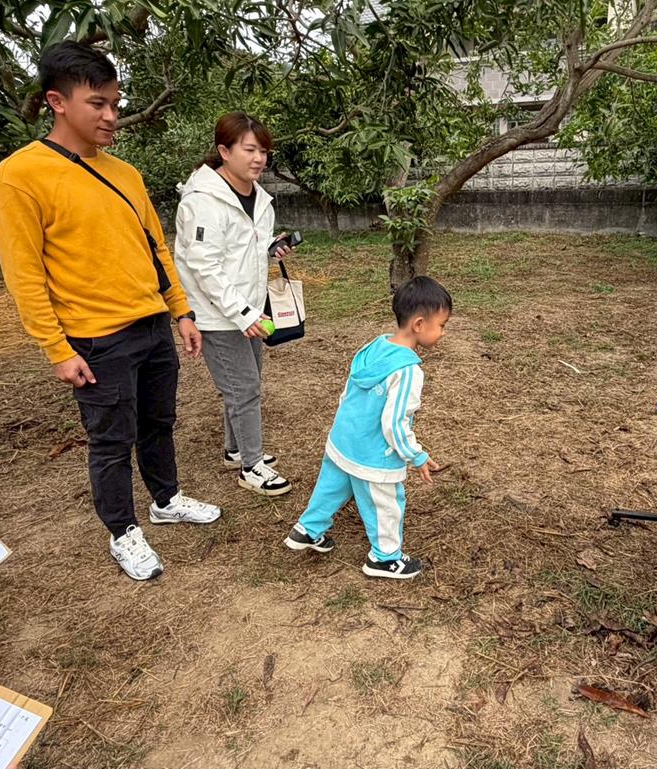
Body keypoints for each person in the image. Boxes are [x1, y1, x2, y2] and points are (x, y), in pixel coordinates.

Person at [0, 41, 221, 582]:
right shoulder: (19, 176)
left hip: (152, 324)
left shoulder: (125, 174)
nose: (111, 116)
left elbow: (155, 248)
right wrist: (56, 349)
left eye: (115, 103)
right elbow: (24, 275)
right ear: (57, 102)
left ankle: (166, 499)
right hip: (96, 339)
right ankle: (123, 530)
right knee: (112, 441)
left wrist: (181, 312)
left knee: (159, 423)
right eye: (97, 104)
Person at [284, 277, 451, 580]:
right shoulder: (407, 371)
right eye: (441, 325)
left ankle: (307, 529)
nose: (443, 333)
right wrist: (416, 455)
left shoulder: (373, 346)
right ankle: (385, 558)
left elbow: (347, 393)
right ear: (419, 324)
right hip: (373, 456)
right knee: (385, 504)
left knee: (331, 487)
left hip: (343, 441)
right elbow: (395, 422)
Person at [173, 113, 292, 497]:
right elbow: (203, 267)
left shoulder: (258, 196)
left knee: (245, 383)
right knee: (244, 389)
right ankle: (251, 466)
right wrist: (241, 314)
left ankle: (235, 449)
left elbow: (243, 247)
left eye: (264, 151)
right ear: (224, 151)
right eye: (250, 150)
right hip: (218, 314)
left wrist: (271, 247)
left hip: (248, 308)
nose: (259, 159)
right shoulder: (203, 202)